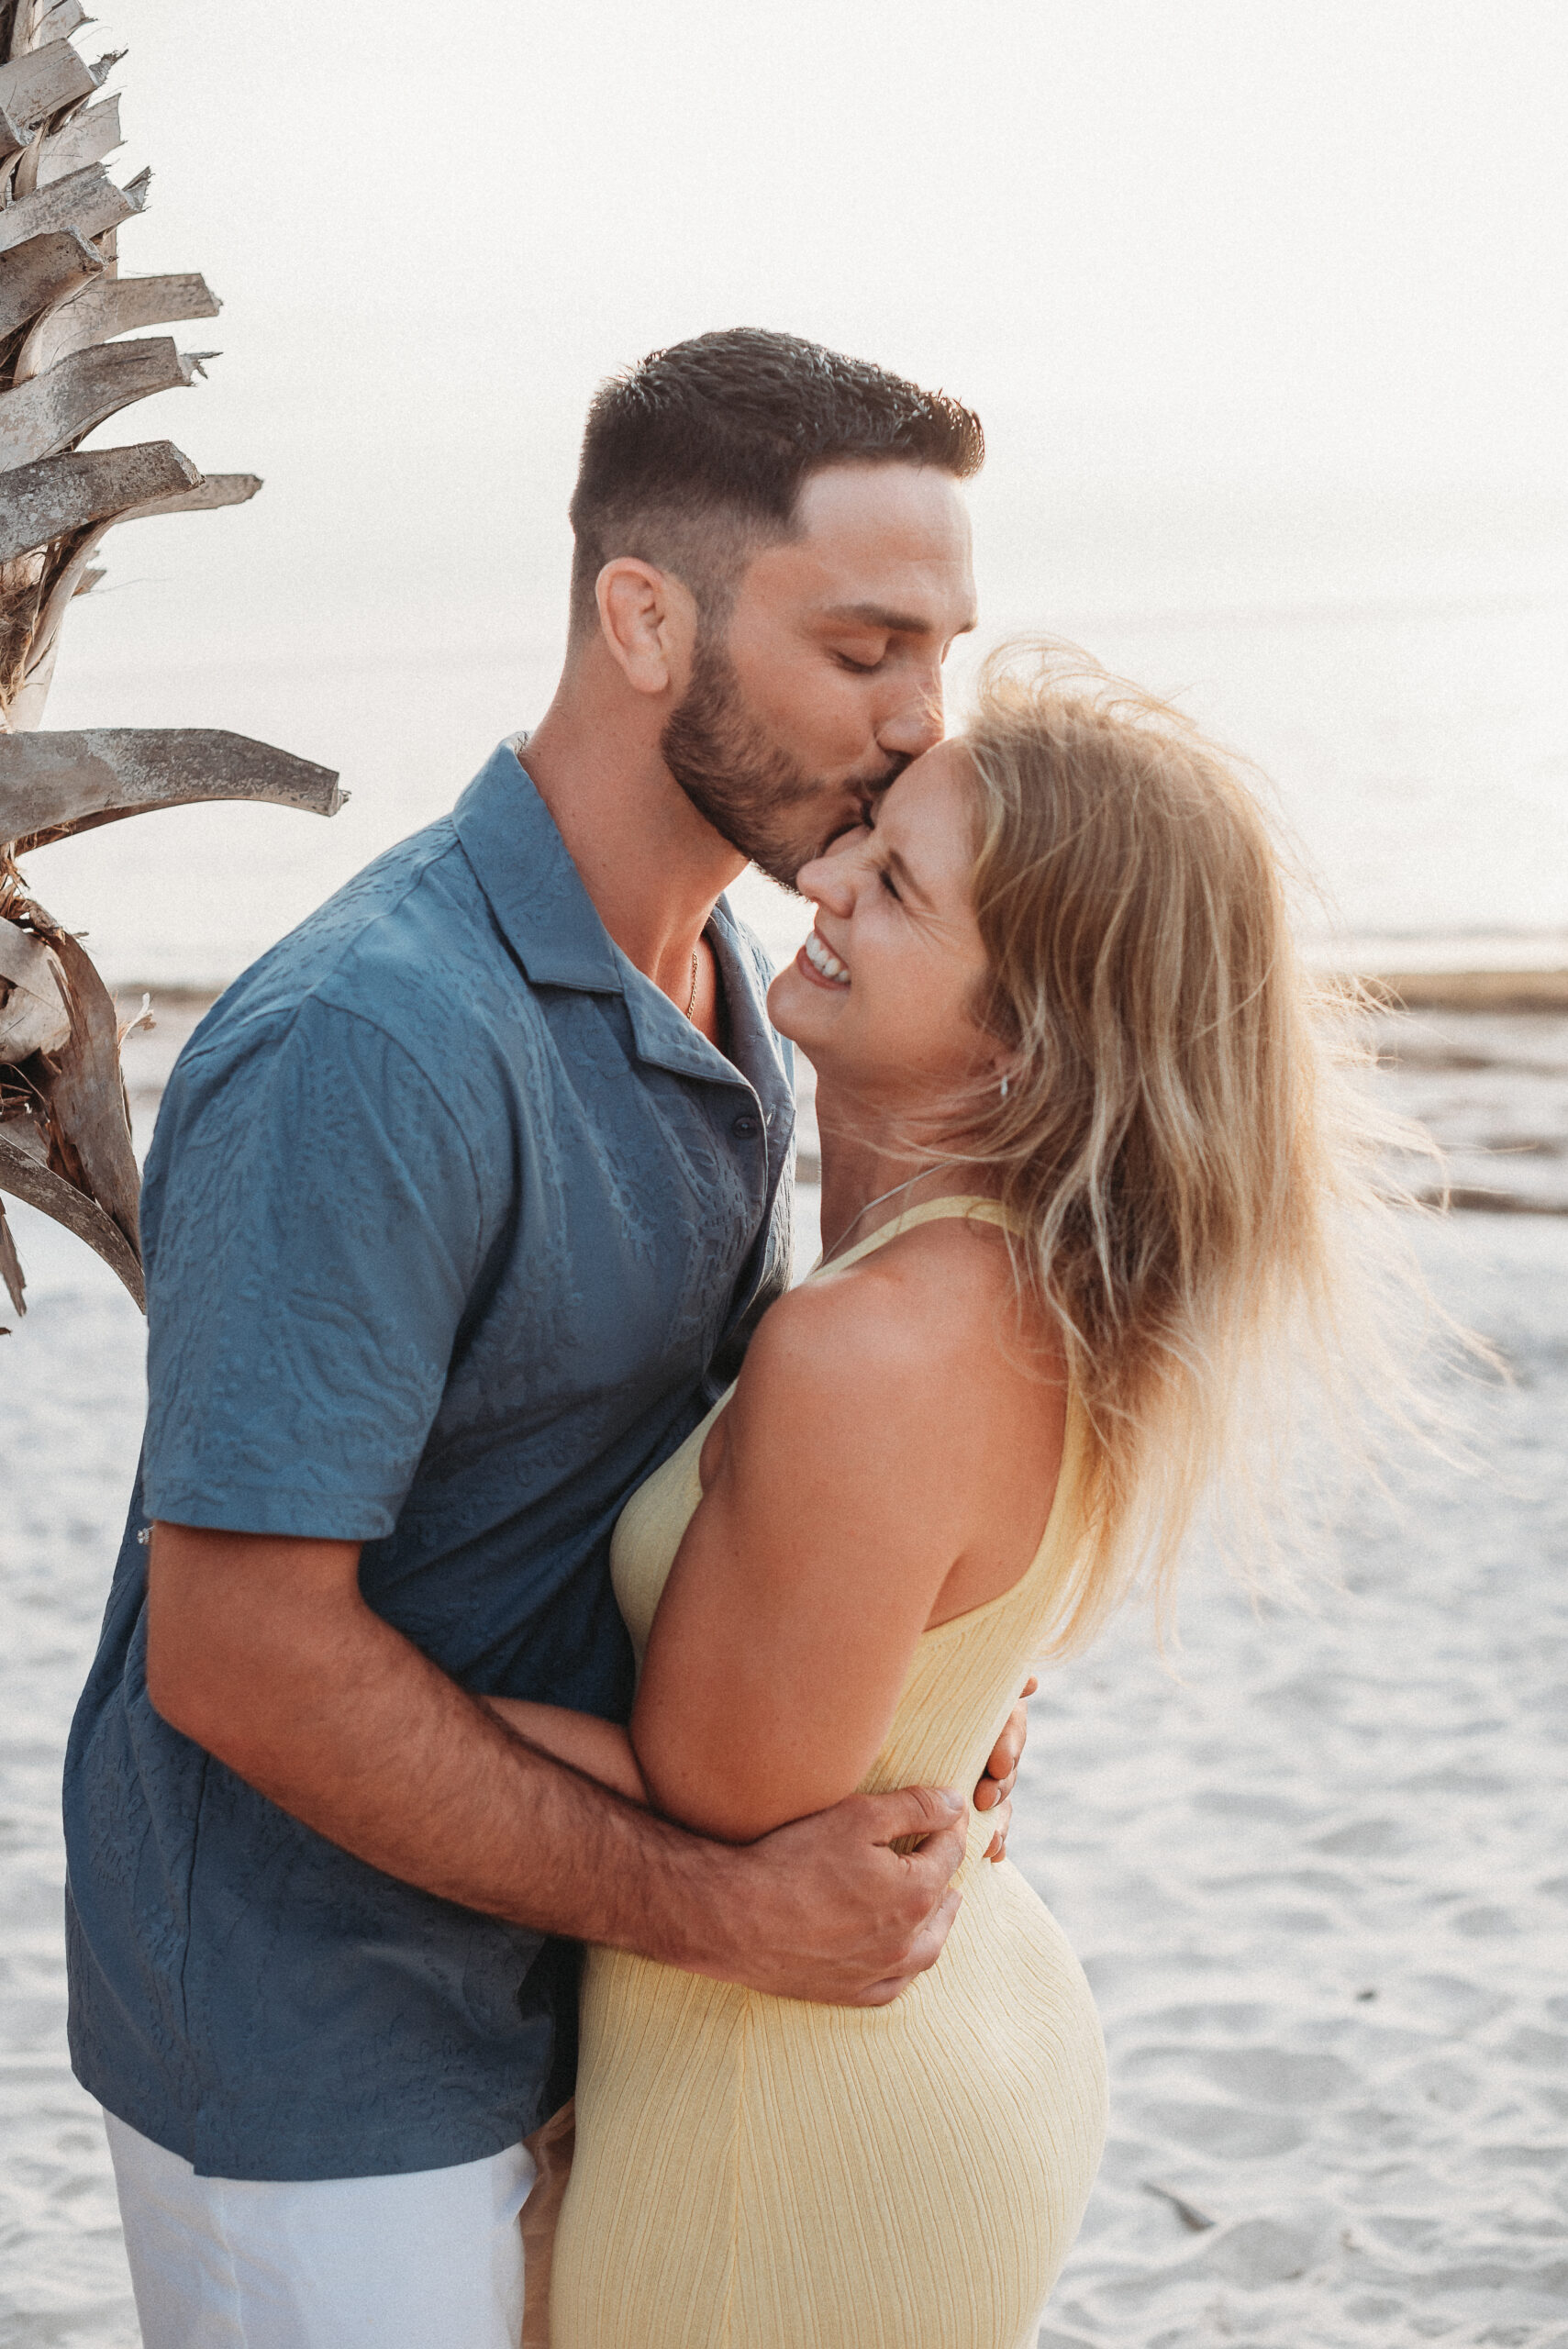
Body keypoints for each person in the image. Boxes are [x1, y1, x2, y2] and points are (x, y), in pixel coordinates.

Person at [63, 330, 1034, 2348]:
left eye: (944, 650)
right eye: (864, 647)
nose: (919, 718)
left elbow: (692, 1479)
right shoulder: (373, 1040)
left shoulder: (740, 1001)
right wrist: (736, 1904)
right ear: (643, 614)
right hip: (320, 2063)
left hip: (581, 2007)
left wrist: (893, 1710)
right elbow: (238, 1652)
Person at [484, 645, 1416, 2346]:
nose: (821, 881)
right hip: (949, 2021)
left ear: (1019, 1040)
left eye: (896, 887)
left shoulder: (881, 1346)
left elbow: (728, 1819)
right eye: (862, 836)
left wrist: (333, 1699)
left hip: (795, 2123)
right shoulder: (1050, 1285)